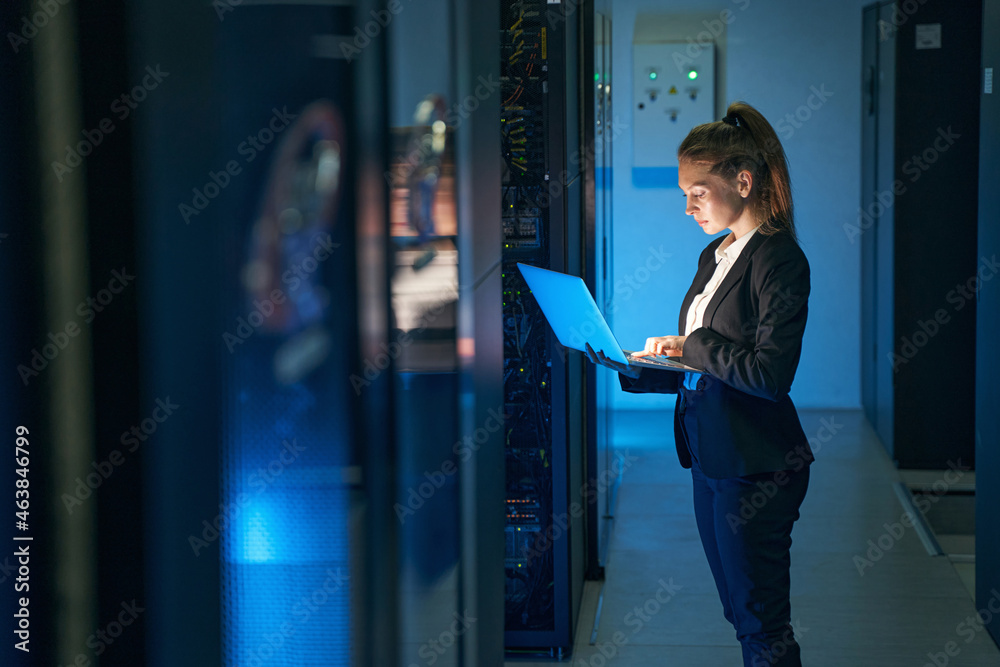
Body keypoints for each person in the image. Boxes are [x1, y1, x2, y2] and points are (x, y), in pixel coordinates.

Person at [585, 100, 812, 667]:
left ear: (743, 180)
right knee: (742, 614)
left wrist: (691, 346)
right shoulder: (716, 253)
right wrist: (638, 367)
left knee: (761, 623)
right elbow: (708, 367)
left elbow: (768, 374)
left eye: (697, 192)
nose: (688, 207)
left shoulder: (779, 259)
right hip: (712, 454)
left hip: (755, 464)